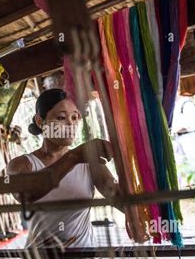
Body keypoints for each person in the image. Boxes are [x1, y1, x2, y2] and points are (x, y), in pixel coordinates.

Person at [7, 89, 120, 248]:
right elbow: (26, 194)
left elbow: (118, 196)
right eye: (61, 117)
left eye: (74, 117)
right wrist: (74, 157)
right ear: (40, 121)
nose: (70, 124)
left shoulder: (88, 162)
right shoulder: (22, 165)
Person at [171, 94, 195, 159]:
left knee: (191, 160)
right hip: (179, 137)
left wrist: (173, 130)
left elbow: (188, 125)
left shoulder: (187, 104)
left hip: (187, 137)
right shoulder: (178, 105)